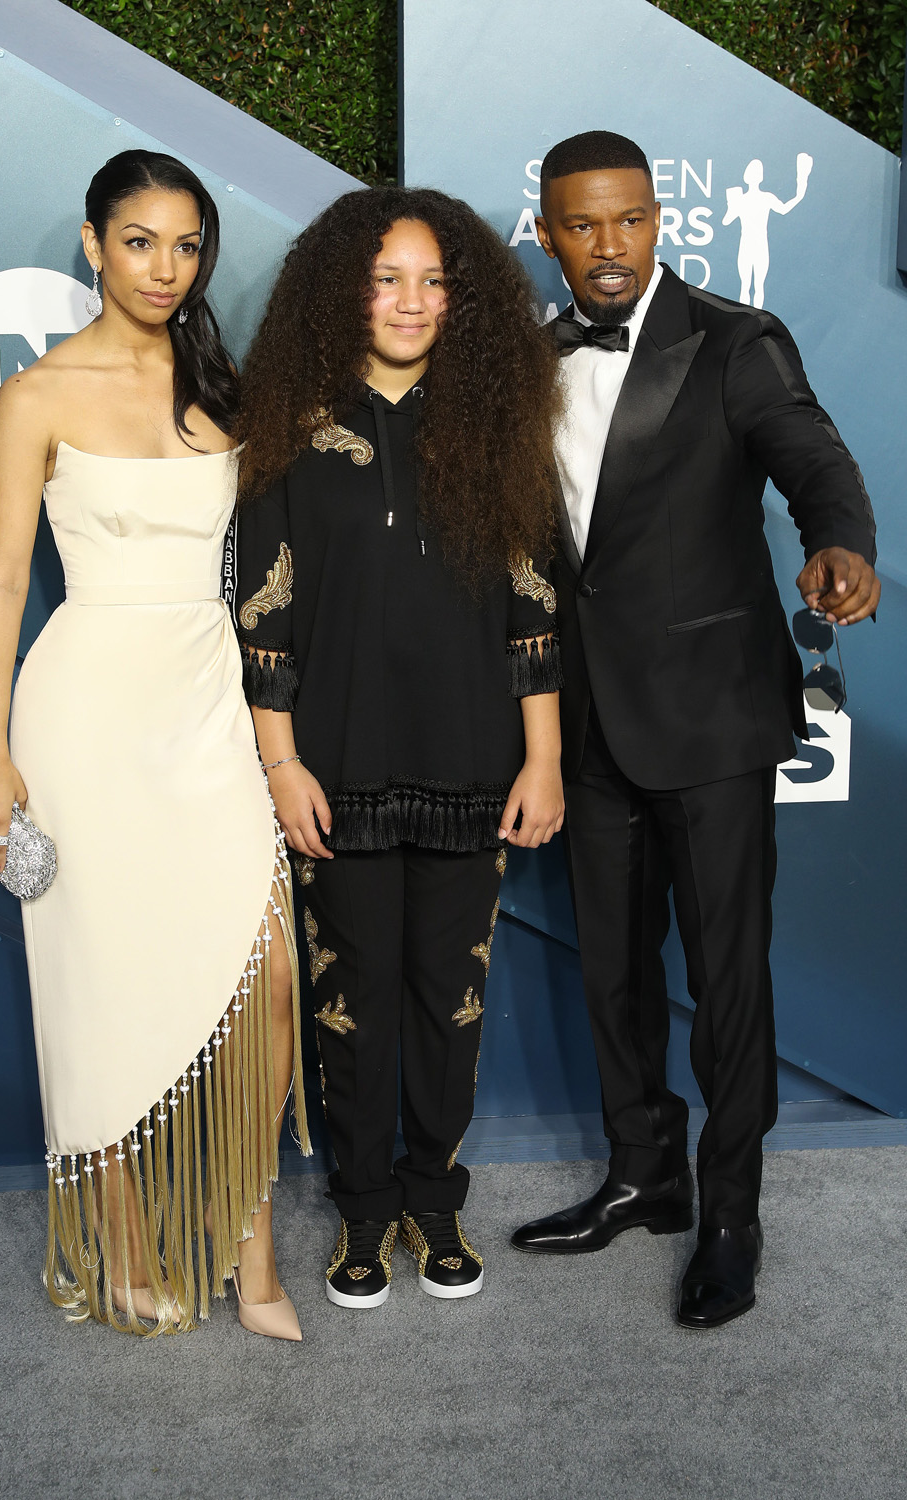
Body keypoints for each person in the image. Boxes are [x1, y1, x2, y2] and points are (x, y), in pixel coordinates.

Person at [510, 131, 879, 1328]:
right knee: (610, 971)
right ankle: (642, 1174)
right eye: (581, 225)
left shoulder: (733, 341)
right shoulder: (525, 356)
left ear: (658, 219)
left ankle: (730, 1212)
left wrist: (841, 545)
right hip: (585, 720)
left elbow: (812, 463)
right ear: (548, 231)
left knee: (726, 982)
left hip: (712, 716)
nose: (606, 248)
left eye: (626, 221)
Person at [0, 149, 309, 1339]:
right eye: (141, 241)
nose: (165, 267)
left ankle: (251, 1257)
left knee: (262, 987)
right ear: (95, 246)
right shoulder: (38, 396)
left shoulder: (224, 387)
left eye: (188, 245)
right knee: (98, 991)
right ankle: (117, 1251)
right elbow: (4, 582)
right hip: (86, 711)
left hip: (205, 703)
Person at [232, 185, 564, 1308]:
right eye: (387, 278)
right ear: (343, 289)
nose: (412, 301)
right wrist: (280, 763)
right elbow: (263, 622)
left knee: (449, 995)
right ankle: (363, 1215)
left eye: (433, 280)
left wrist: (544, 757)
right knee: (352, 997)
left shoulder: (497, 423)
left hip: (478, 764)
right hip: (336, 767)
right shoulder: (287, 423)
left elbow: (533, 608)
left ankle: (435, 1198)